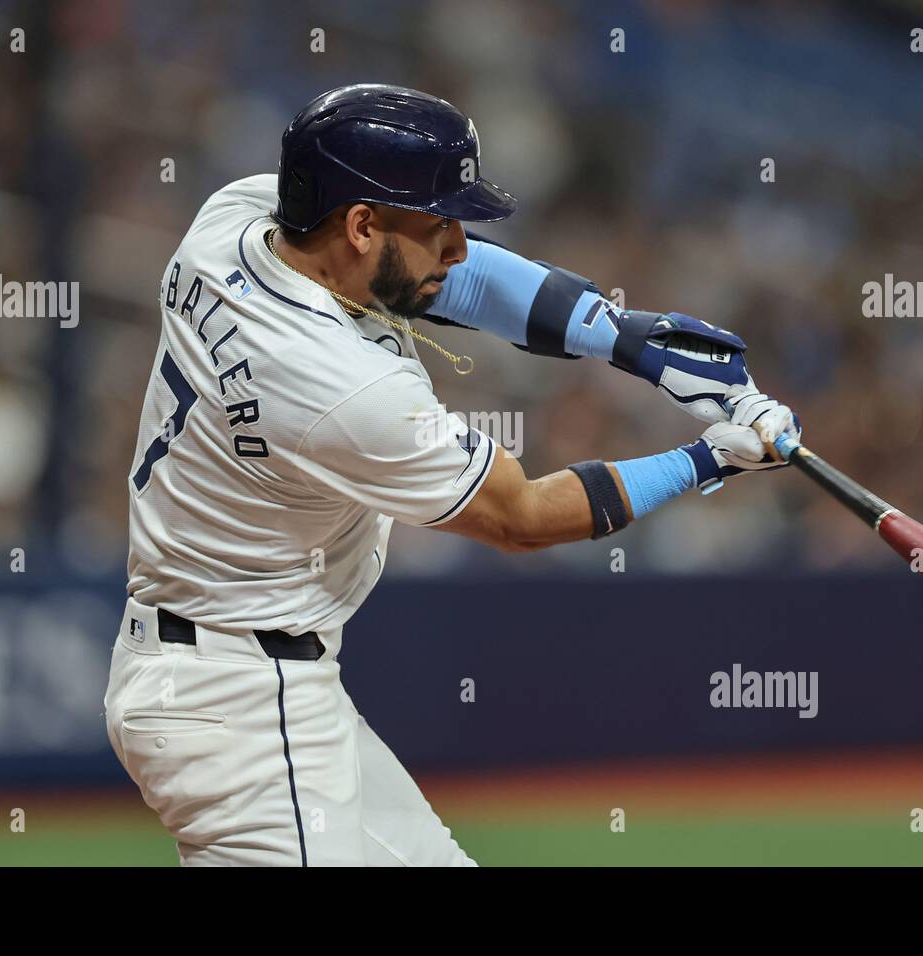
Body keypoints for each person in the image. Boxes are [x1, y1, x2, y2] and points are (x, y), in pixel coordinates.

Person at [103, 83, 801, 866]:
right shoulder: (342, 387)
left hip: (247, 677)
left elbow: (457, 283)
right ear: (361, 225)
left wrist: (624, 337)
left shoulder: (234, 222)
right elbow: (522, 515)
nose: (459, 245)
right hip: (238, 712)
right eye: (439, 223)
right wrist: (712, 456)